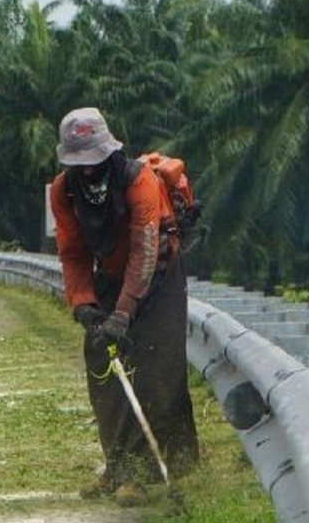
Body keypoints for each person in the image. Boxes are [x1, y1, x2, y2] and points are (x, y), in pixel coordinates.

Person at [48, 107, 199, 506]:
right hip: (111, 276)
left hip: (159, 275)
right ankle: (117, 466)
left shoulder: (139, 181)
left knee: (154, 371)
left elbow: (145, 252)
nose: (90, 170)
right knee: (102, 367)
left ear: (109, 150)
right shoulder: (62, 191)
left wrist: (123, 312)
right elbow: (72, 252)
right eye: (81, 163)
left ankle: (150, 472)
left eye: (96, 161)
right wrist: (84, 305)